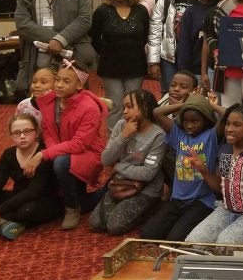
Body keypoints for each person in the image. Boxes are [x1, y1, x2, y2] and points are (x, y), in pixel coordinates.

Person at [24, 59, 108, 230]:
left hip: (88, 152)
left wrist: (45, 154)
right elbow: (48, 131)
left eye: (66, 81)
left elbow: (79, 144)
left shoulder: (89, 107)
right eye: (58, 80)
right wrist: (52, 151)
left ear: (79, 86)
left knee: (60, 162)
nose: (59, 85)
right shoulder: (49, 101)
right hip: (65, 148)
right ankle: (72, 199)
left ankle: (73, 207)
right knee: (55, 158)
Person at [185, 103, 243, 245]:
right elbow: (219, 187)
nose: (229, 129)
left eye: (236, 125)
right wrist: (202, 170)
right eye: (227, 124)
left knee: (225, 243)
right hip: (226, 209)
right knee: (193, 242)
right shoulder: (225, 151)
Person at [14, 0, 96, 92]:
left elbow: (85, 19)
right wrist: (54, 39)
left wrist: (61, 40)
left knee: (74, 100)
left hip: (72, 55)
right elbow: (22, 23)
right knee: (42, 101)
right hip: (39, 56)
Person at [0, 113, 62, 240]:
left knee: (28, 210)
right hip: (18, 197)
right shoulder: (9, 154)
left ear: (36, 132)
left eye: (27, 131)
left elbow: (32, 192)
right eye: (17, 133)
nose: (22, 136)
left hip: (42, 201)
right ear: (11, 136)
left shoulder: (43, 154)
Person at [142, 94, 220, 241]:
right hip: (177, 199)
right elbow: (156, 112)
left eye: (195, 121)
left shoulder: (211, 136)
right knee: (148, 234)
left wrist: (209, 105)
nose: (189, 125)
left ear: (206, 120)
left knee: (175, 239)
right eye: (186, 121)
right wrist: (186, 104)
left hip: (201, 201)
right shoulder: (179, 134)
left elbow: (228, 114)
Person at [89, 89, 166, 235]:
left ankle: (152, 207)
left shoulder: (158, 134)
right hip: (120, 184)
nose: (124, 111)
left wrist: (118, 166)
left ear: (145, 107)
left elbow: (148, 173)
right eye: (124, 107)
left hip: (146, 190)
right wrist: (124, 136)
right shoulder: (121, 125)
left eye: (130, 107)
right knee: (95, 224)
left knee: (114, 226)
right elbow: (106, 159)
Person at [90, 0, 150, 130]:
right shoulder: (102, 11)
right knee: (116, 106)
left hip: (135, 65)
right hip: (110, 66)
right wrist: (106, 52)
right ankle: (115, 143)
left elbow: (144, 36)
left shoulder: (141, 11)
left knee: (134, 105)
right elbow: (94, 37)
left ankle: (134, 140)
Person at [147, 0, 195, 92]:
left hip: (194, 55)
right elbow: (155, 31)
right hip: (169, 56)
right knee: (171, 94)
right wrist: (153, 61)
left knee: (193, 95)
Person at [177, 0, 222, 86]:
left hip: (219, 68)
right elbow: (184, 45)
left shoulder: (221, 9)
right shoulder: (190, 12)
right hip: (195, 71)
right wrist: (184, 72)